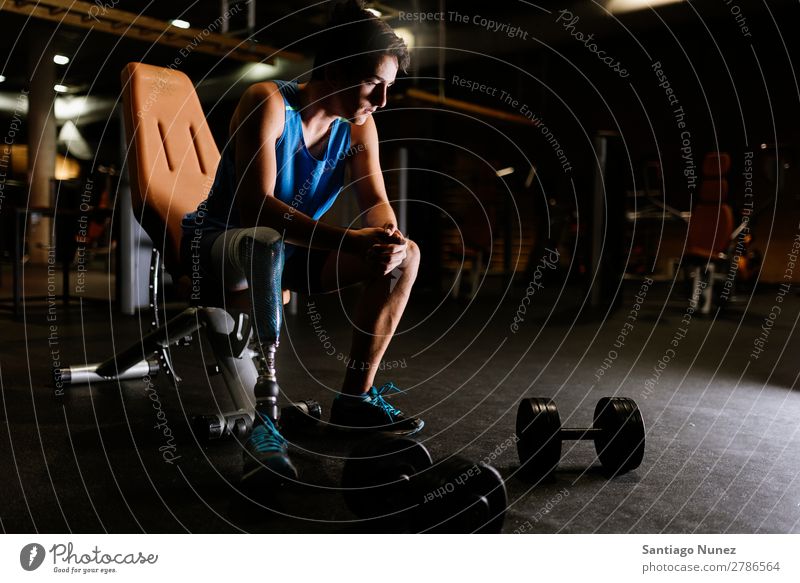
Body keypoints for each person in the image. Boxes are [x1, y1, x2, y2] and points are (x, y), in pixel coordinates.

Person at [180, 0, 422, 490]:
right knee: (266, 240)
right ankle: (265, 424)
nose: (382, 100)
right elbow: (257, 209)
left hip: (284, 251)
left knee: (407, 257)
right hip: (221, 245)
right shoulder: (267, 102)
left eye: (389, 88)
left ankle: (355, 397)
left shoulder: (358, 128)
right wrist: (350, 240)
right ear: (334, 68)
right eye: (375, 83)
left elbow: (375, 199)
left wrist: (387, 237)